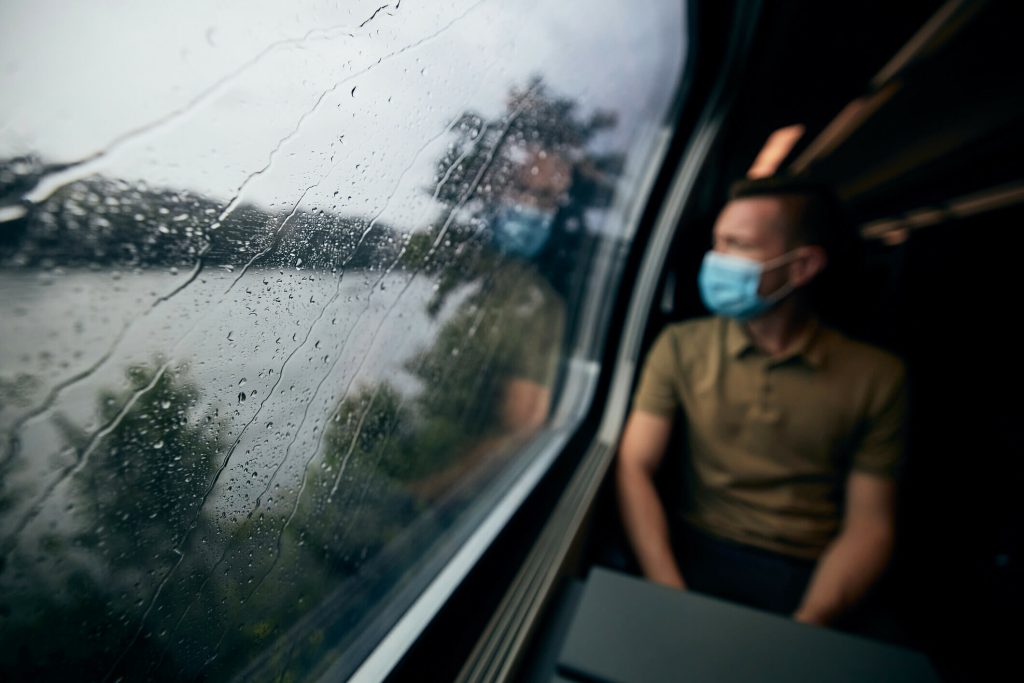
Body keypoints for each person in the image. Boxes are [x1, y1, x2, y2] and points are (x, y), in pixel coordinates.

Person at [616, 176, 907, 628]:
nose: (716, 261)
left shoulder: (877, 377)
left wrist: (809, 620)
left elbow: (871, 524)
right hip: (694, 548)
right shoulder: (679, 346)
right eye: (717, 243)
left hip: (811, 572)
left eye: (739, 245)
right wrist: (668, 592)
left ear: (802, 267)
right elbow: (634, 465)